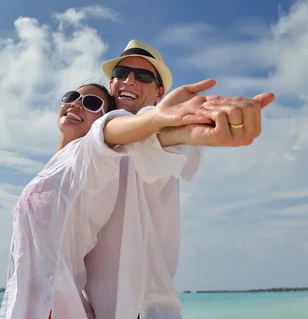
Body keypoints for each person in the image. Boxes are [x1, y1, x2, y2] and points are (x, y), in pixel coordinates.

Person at [82, 40, 275, 319]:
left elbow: (162, 139)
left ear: (159, 92)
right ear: (111, 85)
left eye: (144, 76)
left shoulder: (153, 126)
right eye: (122, 73)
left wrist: (184, 126)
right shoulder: (90, 145)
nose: (129, 80)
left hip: (145, 312)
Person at [0, 80, 224, 319]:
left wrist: (161, 120)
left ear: (106, 119)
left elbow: (110, 135)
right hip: (27, 306)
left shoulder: (93, 159)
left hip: (55, 308)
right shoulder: (55, 167)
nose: (76, 104)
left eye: (91, 103)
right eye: (71, 96)